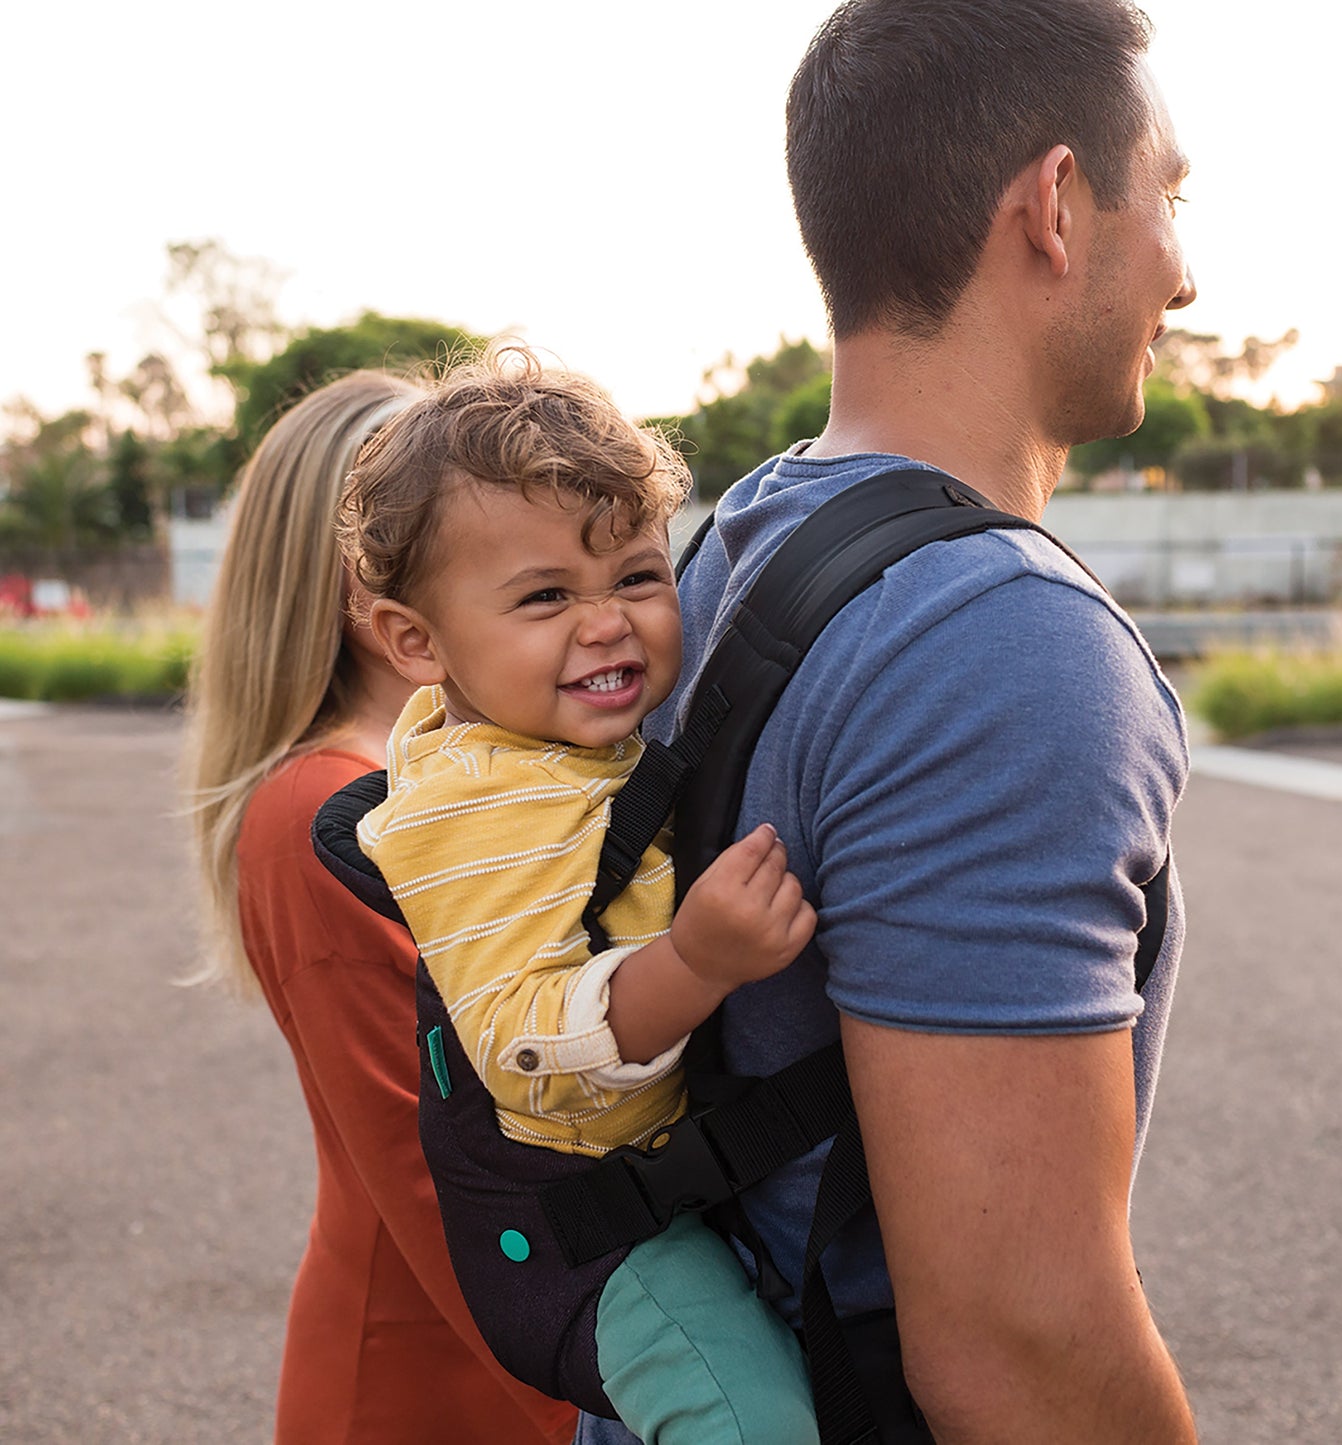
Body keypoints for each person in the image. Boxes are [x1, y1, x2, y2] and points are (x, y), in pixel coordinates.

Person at [580, 1, 1200, 1442]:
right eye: (1169, 195)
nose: (1186, 269)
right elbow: (1020, 1344)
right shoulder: (997, 641)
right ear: (1053, 207)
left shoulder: (735, 537)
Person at [336, 349, 820, 1445]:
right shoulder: (474, 811)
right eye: (546, 595)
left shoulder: (547, 732)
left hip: (649, 1177)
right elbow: (520, 1042)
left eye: (638, 577)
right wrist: (691, 965)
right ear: (417, 641)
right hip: (590, 1235)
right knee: (751, 1421)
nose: (606, 622)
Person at [181, 370, 577, 1445]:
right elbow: (437, 1176)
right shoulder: (317, 812)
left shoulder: (460, 768)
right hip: (437, 1381)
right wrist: (607, 1409)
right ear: (358, 579)